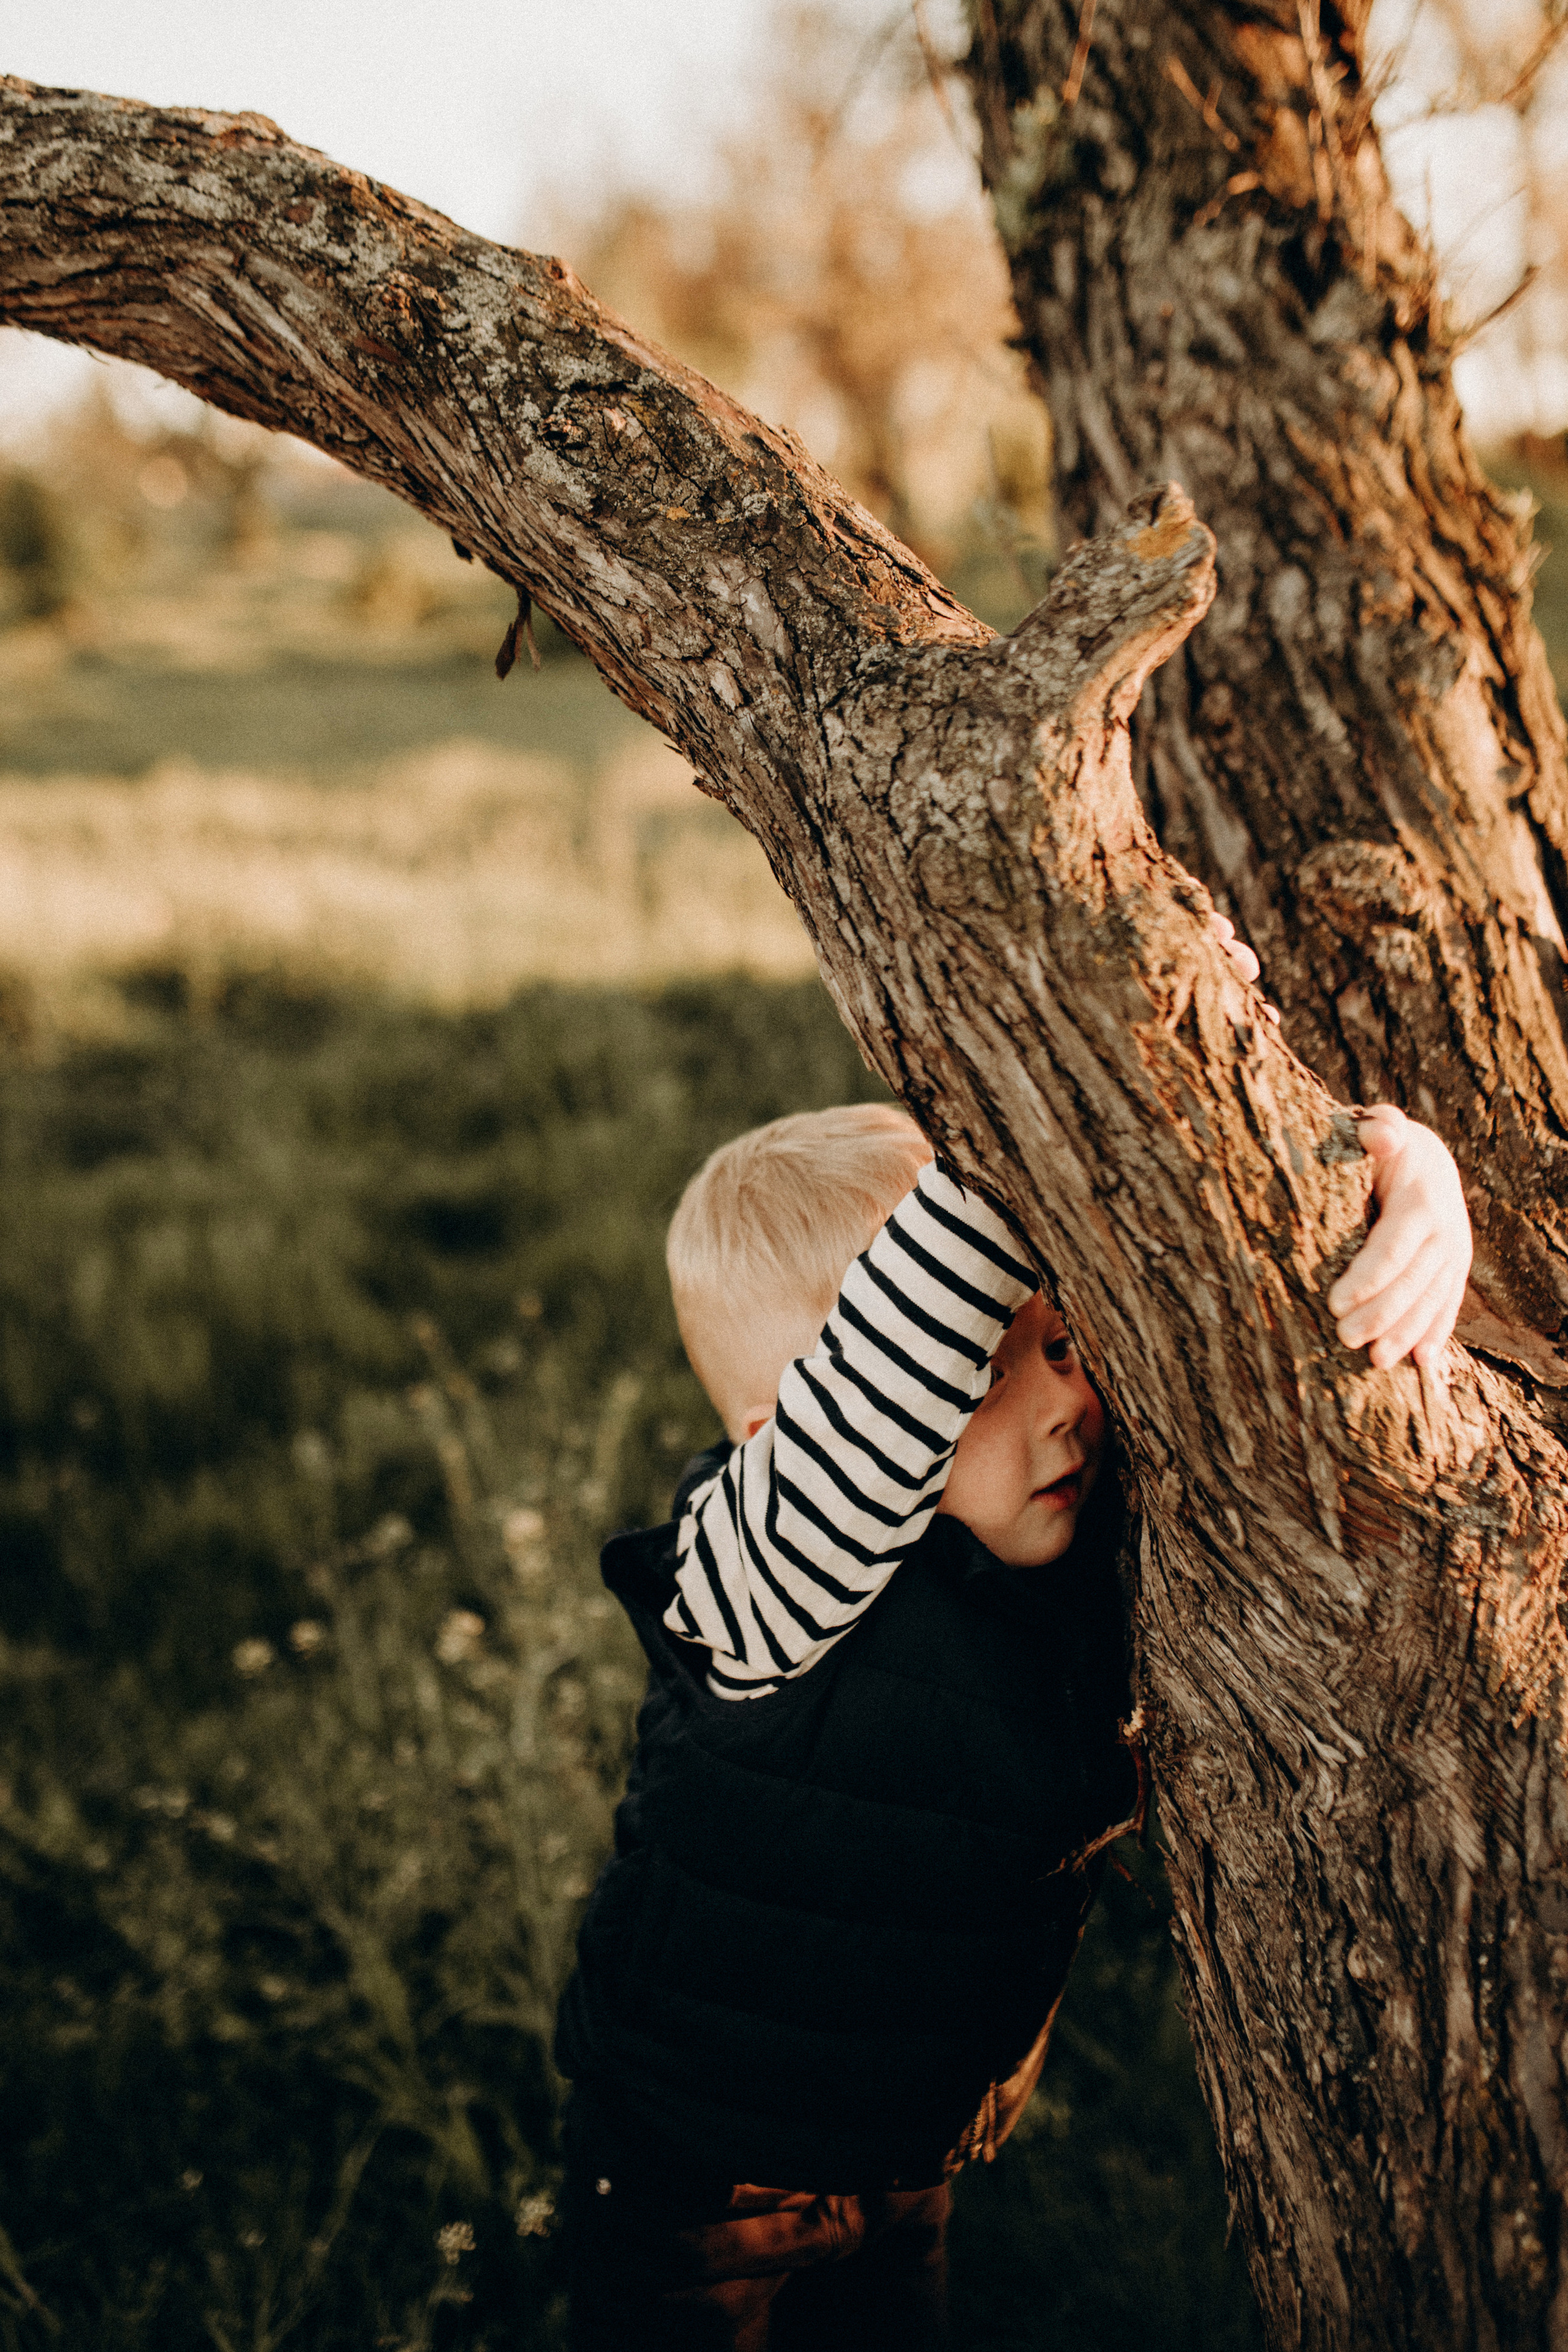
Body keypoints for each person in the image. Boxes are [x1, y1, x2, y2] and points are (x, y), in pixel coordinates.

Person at [554, 974, 1472, 2350]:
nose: (1063, 1400)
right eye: (978, 1375)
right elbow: (894, 1362)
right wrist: (1025, 1075)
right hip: (704, 2178)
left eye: (1056, 1342)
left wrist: (1397, 1169)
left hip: (914, 2149)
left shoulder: (1062, 1539)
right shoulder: (756, 1579)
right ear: (781, 1438)